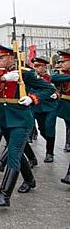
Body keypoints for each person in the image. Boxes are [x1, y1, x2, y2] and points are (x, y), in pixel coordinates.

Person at [0, 44, 54, 207]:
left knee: (13, 152)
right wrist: (2, 78)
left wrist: (32, 98)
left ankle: (4, 195)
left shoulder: (26, 73)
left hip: (20, 119)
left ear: (12, 58)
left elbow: (49, 88)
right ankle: (29, 180)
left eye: (2, 57)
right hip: (4, 119)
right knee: (18, 153)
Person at [31, 57, 59, 163]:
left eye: (39, 66)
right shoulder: (33, 79)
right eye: (35, 66)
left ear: (44, 67)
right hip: (38, 107)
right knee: (42, 129)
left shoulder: (51, 79)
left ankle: (49, 153)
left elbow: (59, 90)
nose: (37, 69)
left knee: (50, 127)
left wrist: (56, 95)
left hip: (51, 107)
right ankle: (50, 142)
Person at [51, 50, 70, 184]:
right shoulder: (61, 75)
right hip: (66, 109)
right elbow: (54, 78)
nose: (60, 64)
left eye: (64, 61)